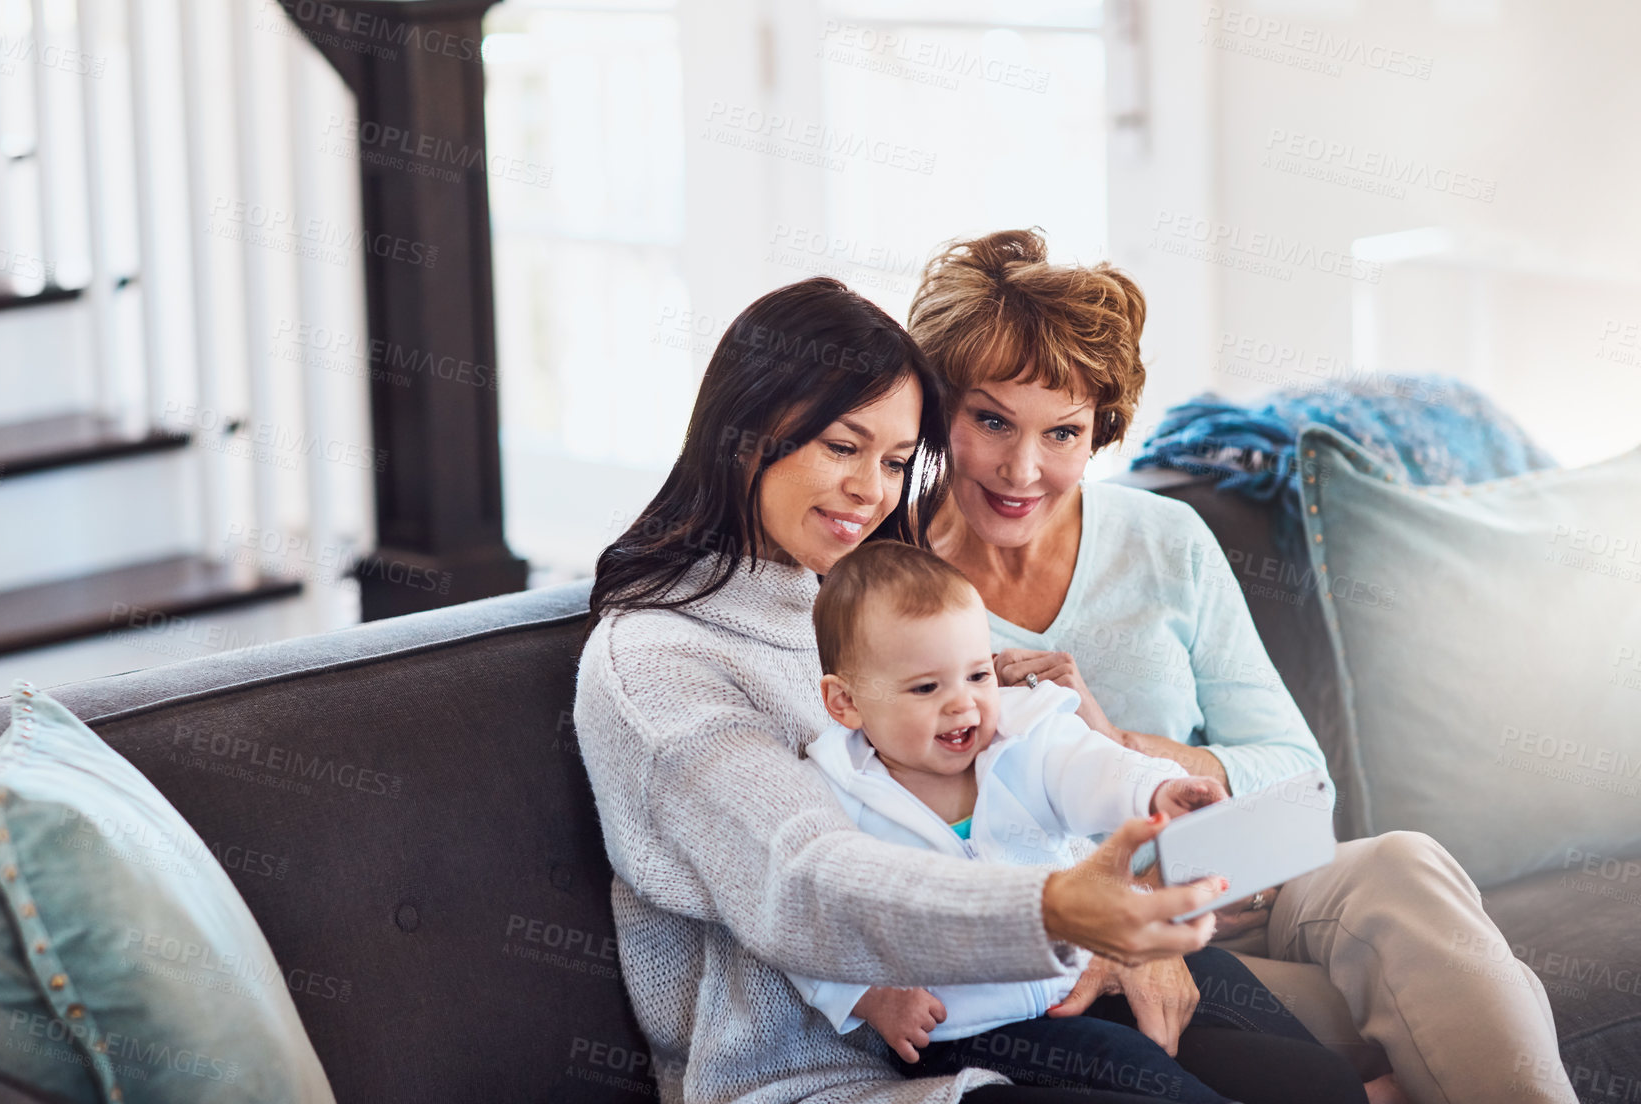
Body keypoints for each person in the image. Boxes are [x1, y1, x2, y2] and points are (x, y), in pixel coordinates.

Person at [903, 228, 1577, 1104]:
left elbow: (1302, 775)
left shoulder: (1163, 539)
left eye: (1062, 432)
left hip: (1261, 886)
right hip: (1123, 939)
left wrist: (1125, 743)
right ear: (938, 407)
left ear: (1098, 430)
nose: (1023, 469)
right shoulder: (891, 599)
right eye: (991, 420)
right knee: (1464, 1011)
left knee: (1404, 862)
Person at [575, 276, 1235, 1104]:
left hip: (1015, 996)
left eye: (893, 460)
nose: (871, 490)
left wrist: (1116, 921)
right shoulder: (655, 665)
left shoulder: (854, 596)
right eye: (842, 447)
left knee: (1313, 1080)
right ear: (742, 430)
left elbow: (1016, 778)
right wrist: (1055, 909)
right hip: (830, 1077)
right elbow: (809, 878)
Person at [780, 539, 1367, 1104]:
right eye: (927, 687)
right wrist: (869, 997)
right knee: (1131, 1066)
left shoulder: (1022, 736)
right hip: (983, 1031)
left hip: (1084, 970)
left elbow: (1094, 768)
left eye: (979, 675)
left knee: (1232, 992)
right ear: (846, 703)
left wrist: (1159, 788)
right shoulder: (831, 795)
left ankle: (1341, 1086)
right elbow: (806, 920)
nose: (963, 704)